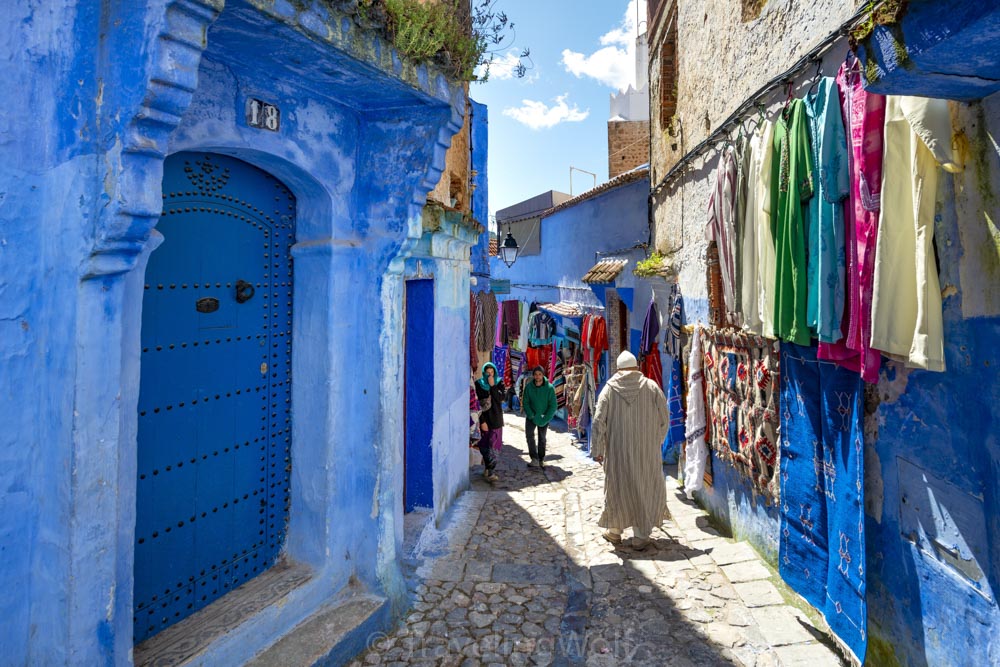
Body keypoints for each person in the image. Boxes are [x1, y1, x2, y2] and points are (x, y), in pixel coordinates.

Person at [591, 351, 670, 550]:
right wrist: (655, 441)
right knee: (645, 487)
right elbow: (664, 418)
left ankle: (615, 531)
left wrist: (597, 449)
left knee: (618, 489)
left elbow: (598, 421)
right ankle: (641, 535)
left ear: (618, 369)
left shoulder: (609, 390)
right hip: (647, 452)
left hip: (618, 452)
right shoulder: (651, 387)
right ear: (636, 368)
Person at [474, 362, 506, 482]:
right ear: (484, 373)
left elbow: (500, 399)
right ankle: (488, 466)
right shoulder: (478, 384)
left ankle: (491, 470)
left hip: (496, 418)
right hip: (484, 419)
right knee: (483, 444)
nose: (490, 375)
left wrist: (493, 386)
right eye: (487, 373)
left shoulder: (499, 383)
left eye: (492, 372)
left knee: (495, 445)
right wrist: (482, 421)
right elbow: (477, 405)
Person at [522, 365, 557, 468]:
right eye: (536, 374)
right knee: (529, 436)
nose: (537, 376)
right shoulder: (529, 387)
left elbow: (553, 405)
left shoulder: (549, 388)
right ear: (533, 375)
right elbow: (525, 402)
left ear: (543, 375)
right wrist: (531, 415)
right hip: (531, 417)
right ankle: (534, 458)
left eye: (540, 374)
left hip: (543, 417)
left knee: (542, 438)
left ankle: (541, 458)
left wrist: (546, 418)